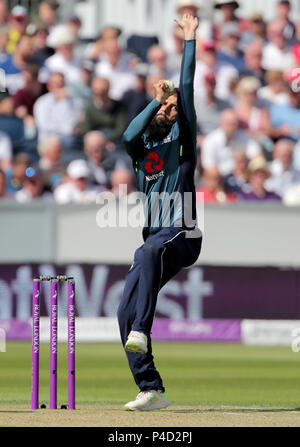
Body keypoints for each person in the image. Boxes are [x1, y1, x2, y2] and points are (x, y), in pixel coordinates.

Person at [117, 14, 202, 412]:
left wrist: (189, 42)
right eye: (165, 107)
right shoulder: (142, 152)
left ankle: (141, 329)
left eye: (172, 107)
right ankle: (151, 388)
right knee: (123, 310)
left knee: (150, 253)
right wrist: (155, 97)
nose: (170, 109)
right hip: (154, 237)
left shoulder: (183, 142)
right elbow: (128, 135)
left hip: (183, 232)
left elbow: (185, 87)